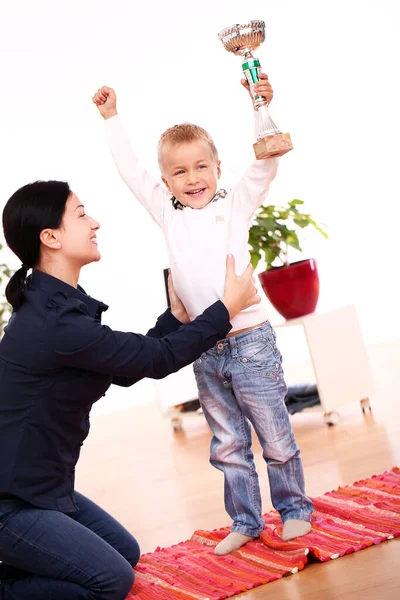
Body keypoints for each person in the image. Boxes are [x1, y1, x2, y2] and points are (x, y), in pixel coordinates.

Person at [0, 179, 259, 600]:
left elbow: (125, 365)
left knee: (125, 552)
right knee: (108, 582)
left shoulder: (59, 304)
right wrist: (226, 309)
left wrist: (175, 318)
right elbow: (152, 362)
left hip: (40, 490)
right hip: (10, 503)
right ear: (50, 237)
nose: (94, 222)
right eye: (81, 215)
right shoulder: (56, 322)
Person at [93, 74, 314, 556]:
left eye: (200, 167)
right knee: (228, 443)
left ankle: (295, 509)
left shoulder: (235, 204)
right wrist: (112, 120)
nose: (192, 179)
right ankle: (245, 519)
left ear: (217, 167)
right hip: (203, 347)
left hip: (250, 341)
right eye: (179, 172)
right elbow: (131, 171)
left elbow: (267, 161)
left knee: (274, 434)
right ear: (166, 180)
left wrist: (260, 106)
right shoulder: (167, 212)